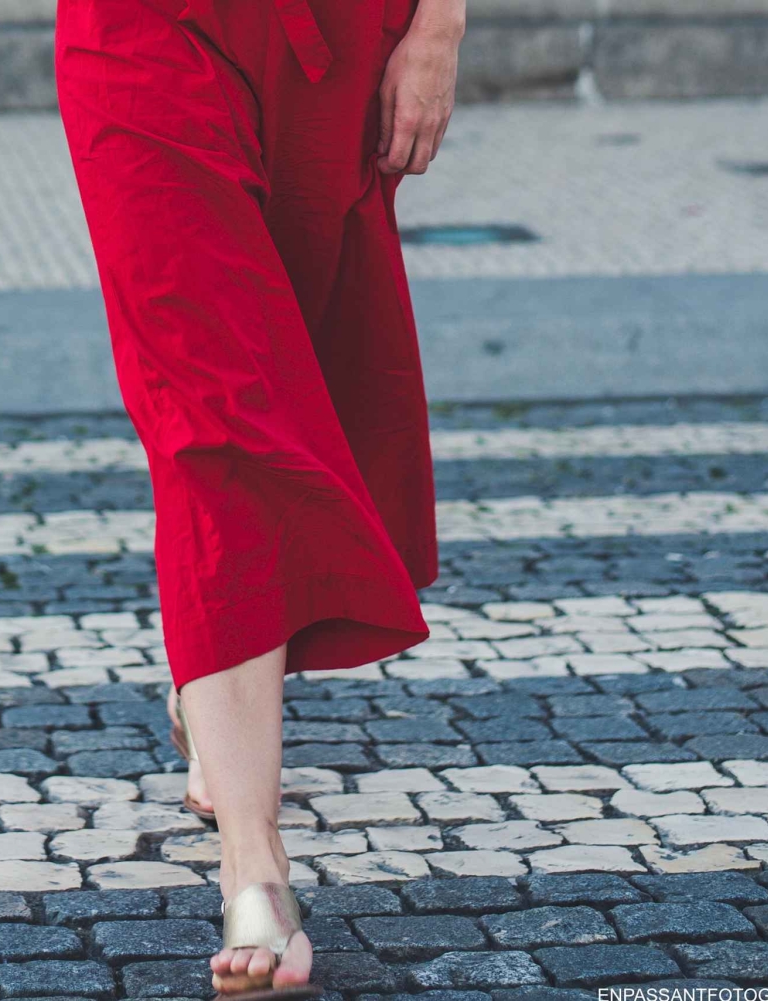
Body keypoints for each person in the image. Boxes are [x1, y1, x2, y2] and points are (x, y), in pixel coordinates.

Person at [56, 0, 464, 994]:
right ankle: (255, 862)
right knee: (213, 409)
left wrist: (439, 30)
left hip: (333, 38)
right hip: (141, 30)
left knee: (298, 369)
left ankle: (213, 688)